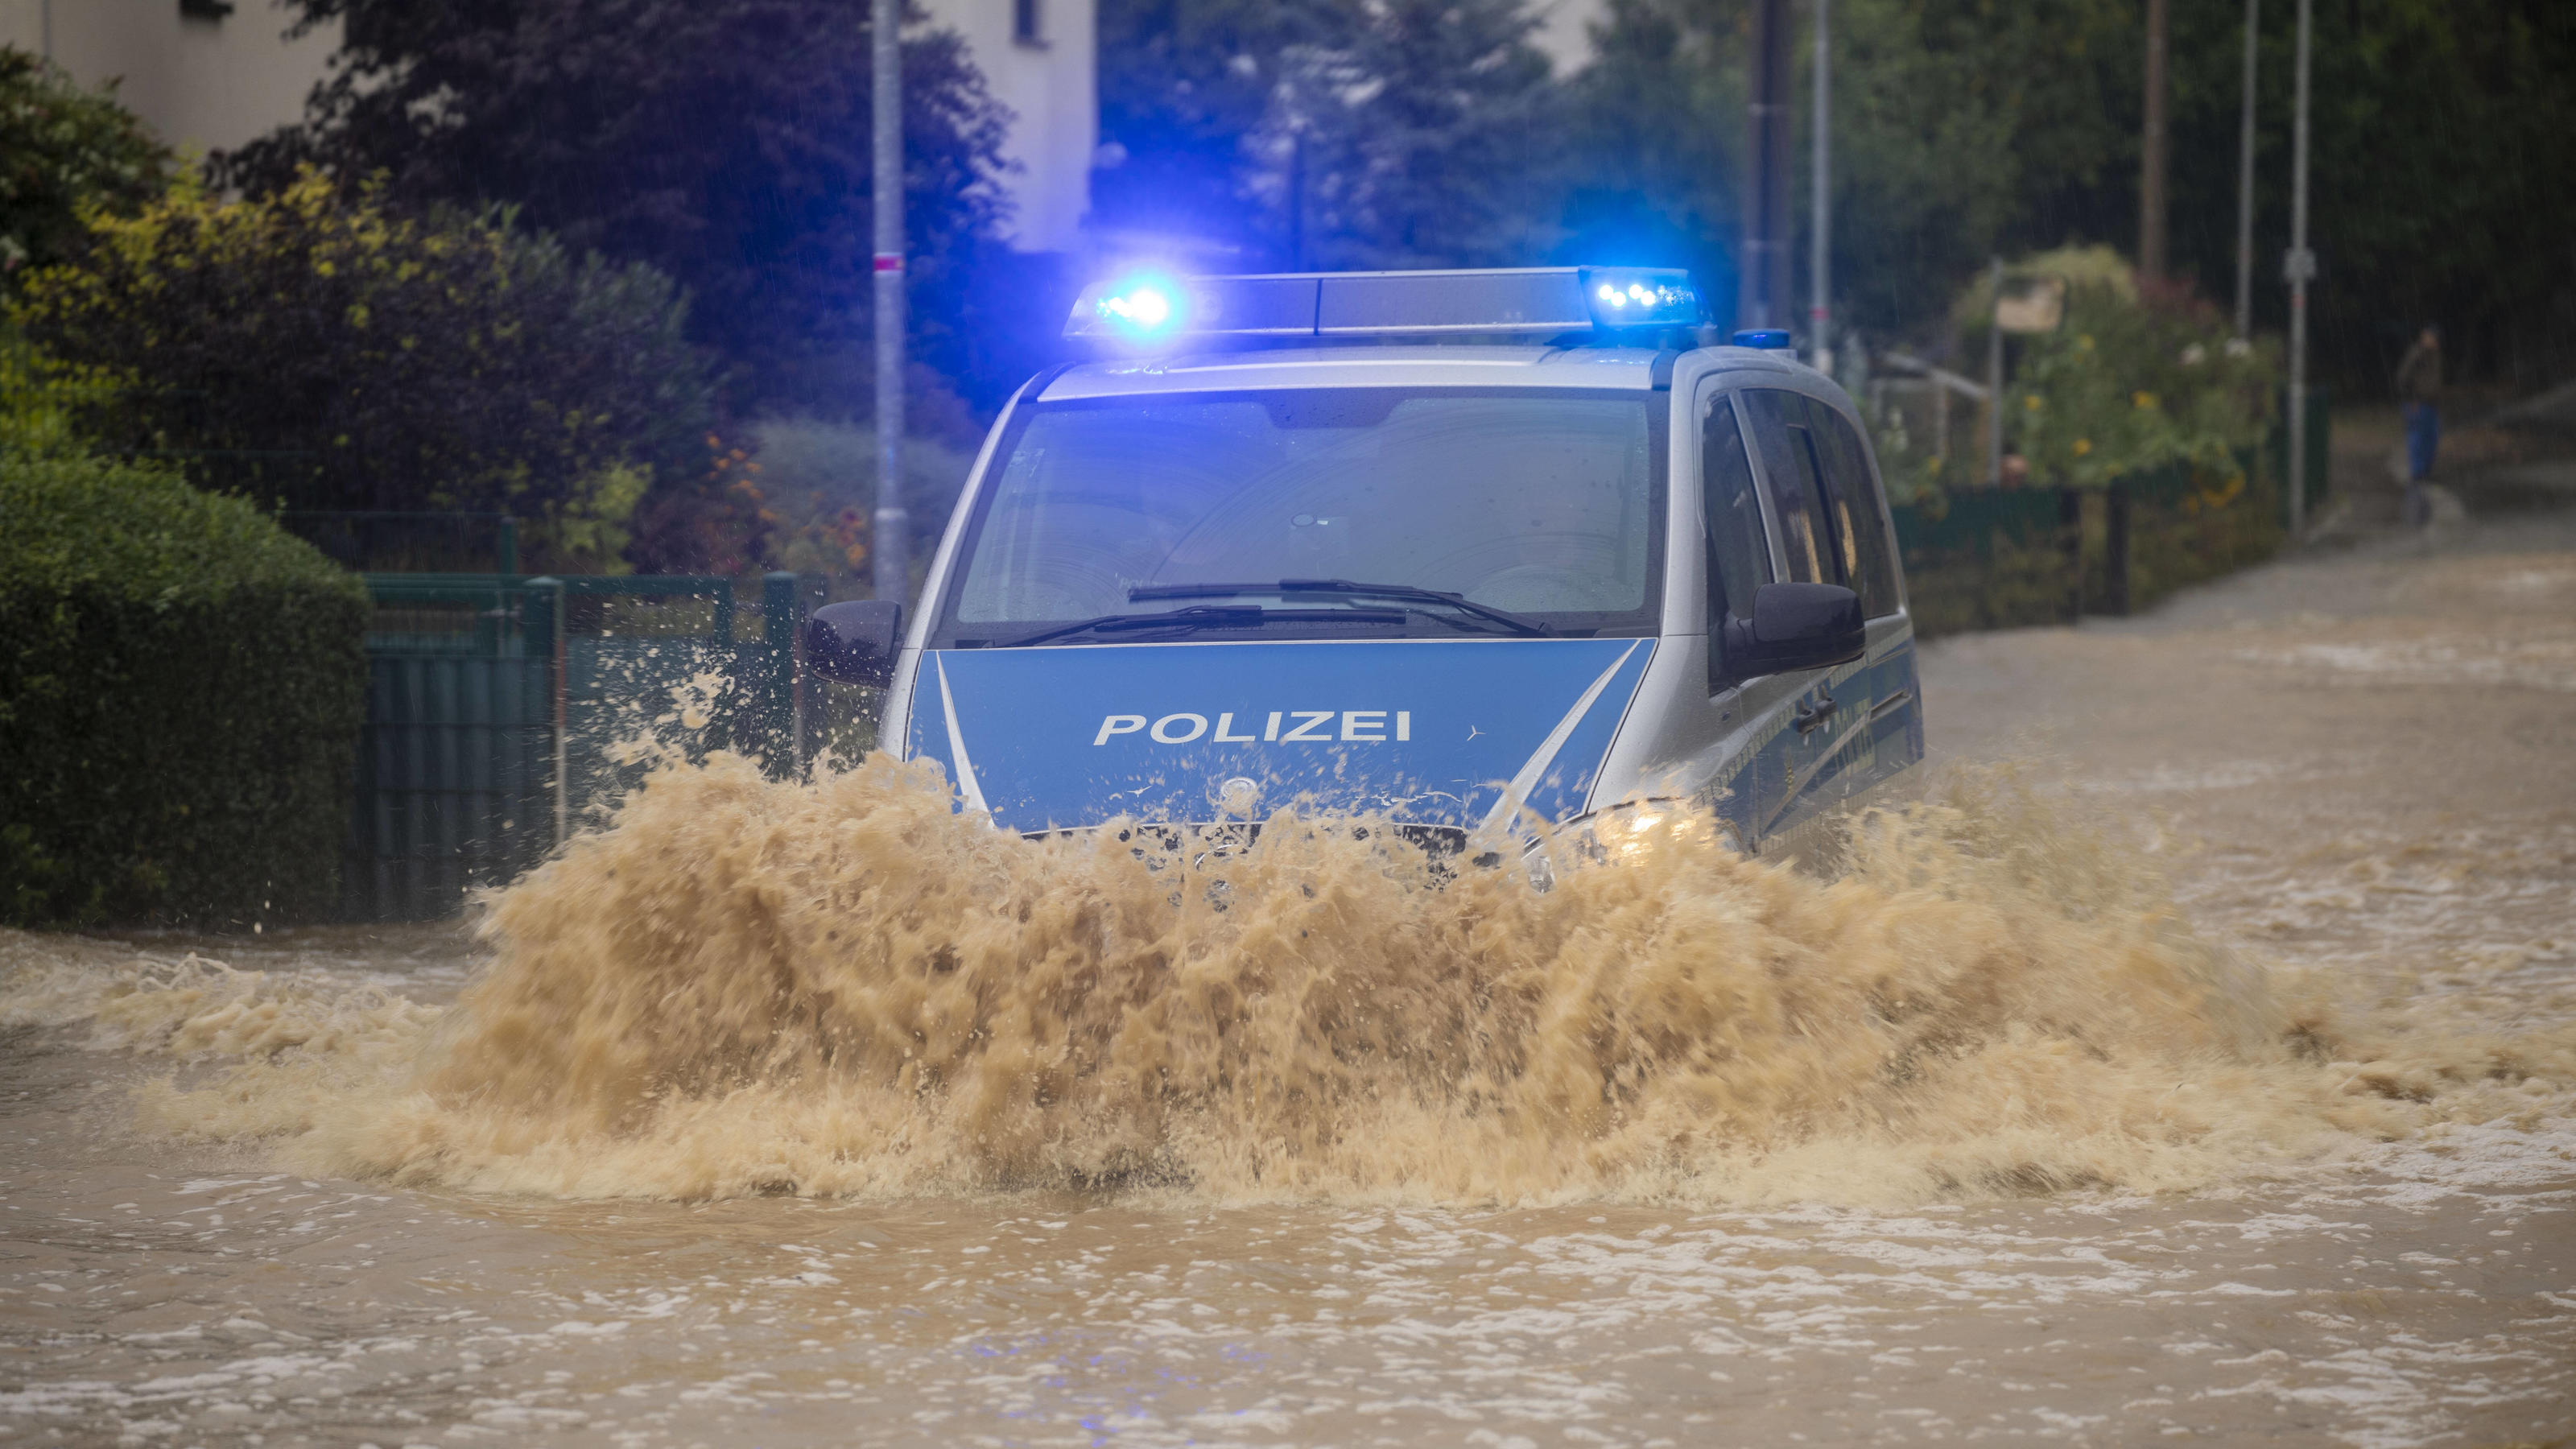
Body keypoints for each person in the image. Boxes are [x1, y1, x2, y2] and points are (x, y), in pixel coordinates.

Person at [2394, 324, 2442, 525]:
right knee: (2417, 437)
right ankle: (2417, 473)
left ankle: (2425, 471)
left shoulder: (2436, 355)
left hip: (2431, 404)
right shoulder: (2417, 354)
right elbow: (2403, 377)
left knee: (2432, 437)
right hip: (2417, 404)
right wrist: (2411, 399)